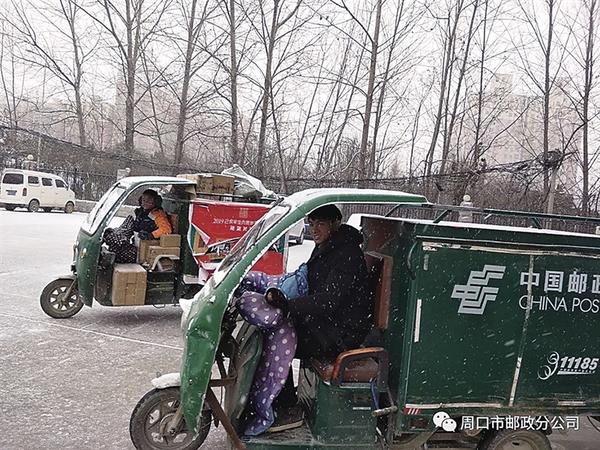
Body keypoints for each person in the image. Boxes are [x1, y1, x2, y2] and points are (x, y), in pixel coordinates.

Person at [236, 204, 371, 435]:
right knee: (271, 328)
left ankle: (287, 406)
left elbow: (329, 300)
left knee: (277, 336)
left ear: (335, 223)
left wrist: (289, 306)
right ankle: (271, 399)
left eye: (320, 224)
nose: (314, 230)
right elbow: (308, 280)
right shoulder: (328, 245)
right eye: (311, 224)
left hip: (342, 332)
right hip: (328, 322)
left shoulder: (346, 254)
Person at [103, 189, 172, 263]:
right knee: (115, 244)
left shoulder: (158, 215)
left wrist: (151, 235)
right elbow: (130, 228)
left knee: (116, 247)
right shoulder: (140, 212)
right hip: (135, 244)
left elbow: (166, 229)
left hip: (142, 251)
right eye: (143, 199)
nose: (145, 202)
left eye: (149, 200)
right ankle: (115, 234)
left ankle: (115, 239)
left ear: (156, 201)